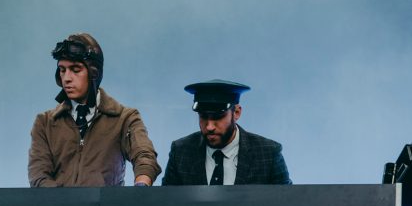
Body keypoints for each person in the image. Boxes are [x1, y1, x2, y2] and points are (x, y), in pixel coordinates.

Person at [29, 33, 160, 187]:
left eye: (75, 69)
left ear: (94, 73)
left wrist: (141, 186)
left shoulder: (125, 118)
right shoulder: (44, 123)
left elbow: (144, 156)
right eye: (62, 70)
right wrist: (67, 205)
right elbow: (39, 175)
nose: (66, 78)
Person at [161, 79, 291, 186]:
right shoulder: (181, 151)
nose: (210, 126)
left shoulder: (268, 153)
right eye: (203, 116)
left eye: (218, 116)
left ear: (237, 112)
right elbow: (166, 205)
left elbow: (285, 205)